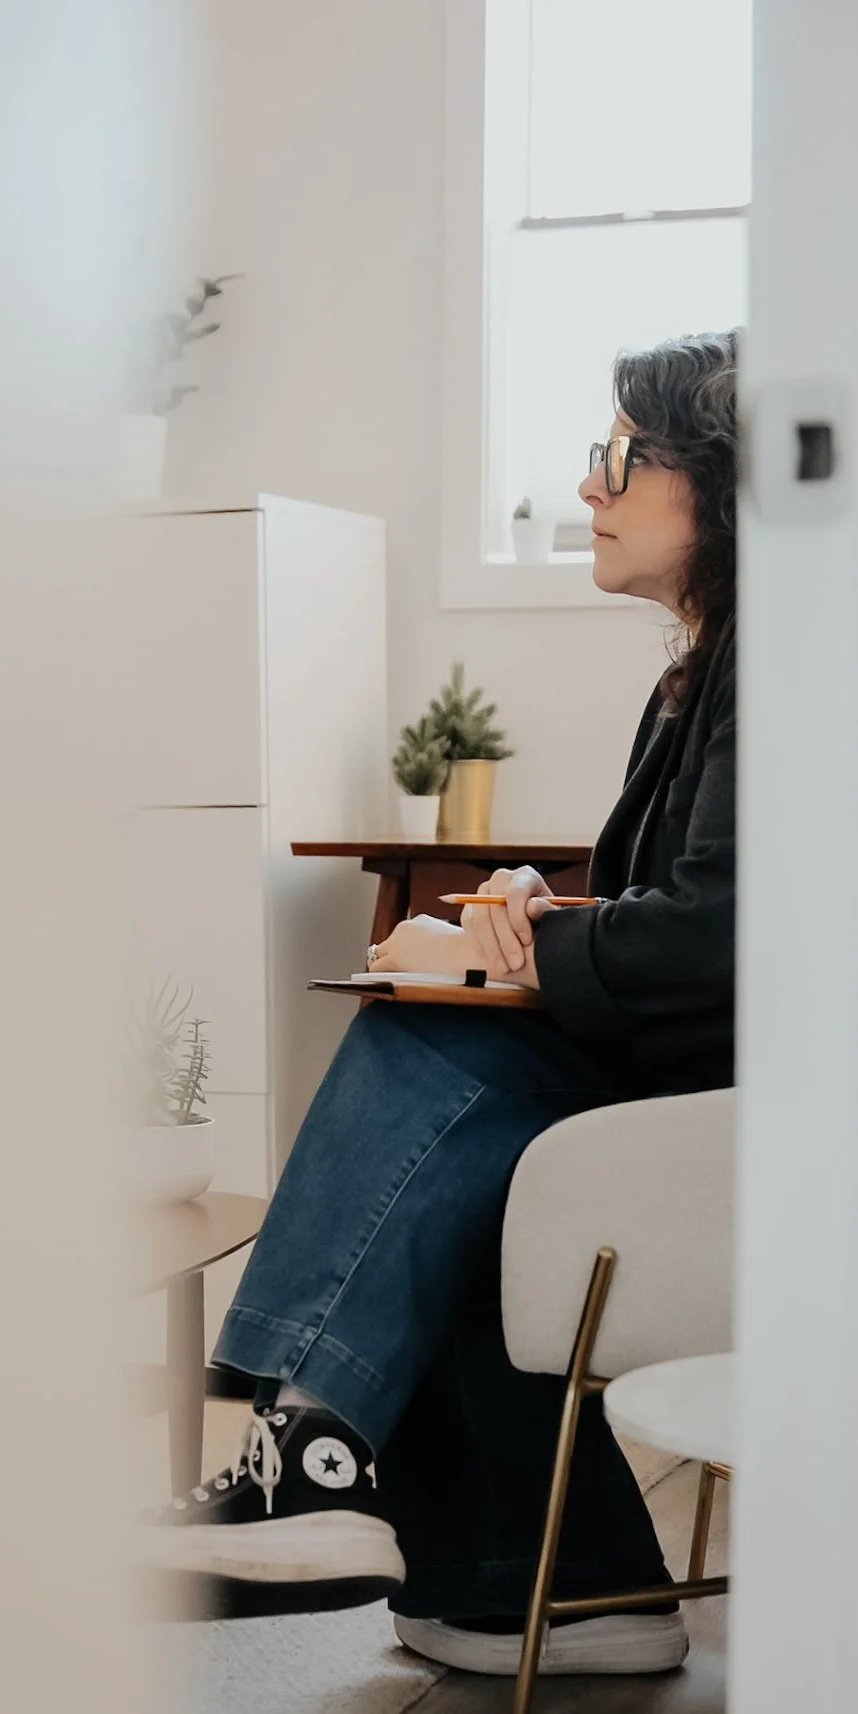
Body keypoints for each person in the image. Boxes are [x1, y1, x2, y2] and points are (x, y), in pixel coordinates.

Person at [138, 329, 739, 1681]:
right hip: (688, 1074)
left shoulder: (777, 662)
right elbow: (689, 906)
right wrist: (542, 915)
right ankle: (558, 1582)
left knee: (427, 1034)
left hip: (729, 1100)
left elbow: (722, 932)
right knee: (456, 1131)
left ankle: (306, 1450)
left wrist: (527, 954)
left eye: (618, 458)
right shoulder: (698, 674)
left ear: (715, 477)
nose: (587, 486)